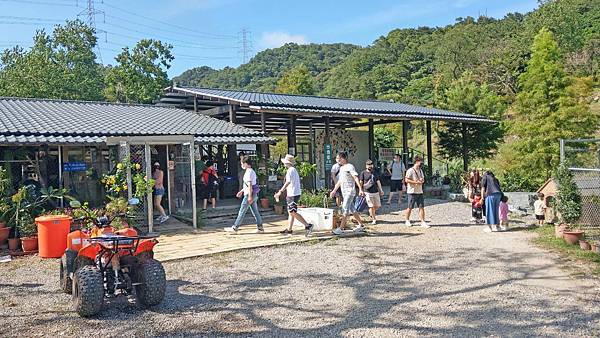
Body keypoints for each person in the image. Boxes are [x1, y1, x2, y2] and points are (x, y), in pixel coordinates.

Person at [274, 154, 314, 236]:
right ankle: (289, 229)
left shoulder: (290, 170)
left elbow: (287, 182)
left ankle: (307, 225)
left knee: (292, 212)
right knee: (290, 212)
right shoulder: (293, 170)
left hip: (293, 193)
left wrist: (280, 191)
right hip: (294, 193)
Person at [329, 152, 366, 235]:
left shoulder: (350, 166)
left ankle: (341, 228)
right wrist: (334, 190)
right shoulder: (342, 168)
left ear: (343, 158)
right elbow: (340, 181)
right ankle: (361, 225)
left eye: (338, 158)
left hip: (350, 191)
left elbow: (355, 178)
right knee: (352, 209)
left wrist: (360, 189)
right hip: (344, 192)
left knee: (345, 208)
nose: (338, 160)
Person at [225, 156, 263, 233]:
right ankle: (260, 227)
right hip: (253, 194)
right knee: (255, 211)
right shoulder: (251, 171)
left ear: (246, 163)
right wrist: (241, 191)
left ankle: (235, 227)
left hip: (249, 194)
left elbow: (249, 184)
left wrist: (249, 196)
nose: (241, 165)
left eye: (242, 163)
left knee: (242, 211)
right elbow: (248, 185)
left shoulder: (248, 172)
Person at [404, 156, 429, 228]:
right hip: (412, 192)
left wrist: (422, 181)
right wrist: (415, 182)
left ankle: (423, 222)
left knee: (421, 207)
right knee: (410, 207)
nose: (421, 163)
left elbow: (423, 179)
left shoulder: (421, 170)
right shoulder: (410, 170)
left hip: (420, 191)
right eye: (421, 161)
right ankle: (407, 220)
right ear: (417, 162)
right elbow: (406, 180)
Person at [359, 159, 384, 225]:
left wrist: (381, 190)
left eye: (371, 165)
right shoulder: (363, 173)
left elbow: (378, 181)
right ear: (366, 166)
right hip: (367, 192)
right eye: (368, 165)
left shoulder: (375, 172)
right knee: (371, 206)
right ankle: (374, 219)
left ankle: (371, 212)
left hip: (375, 192)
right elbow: (361, 182)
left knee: (377, 206)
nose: (370, 166)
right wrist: (360, 190)